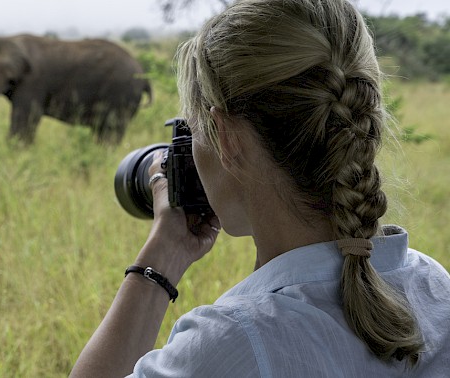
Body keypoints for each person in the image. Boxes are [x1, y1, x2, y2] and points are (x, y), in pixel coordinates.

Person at [70, 0, 450, 376]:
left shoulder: (237, 341)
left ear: (227, 139)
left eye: (193, 131)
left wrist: (161, 256)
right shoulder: (432, 286)